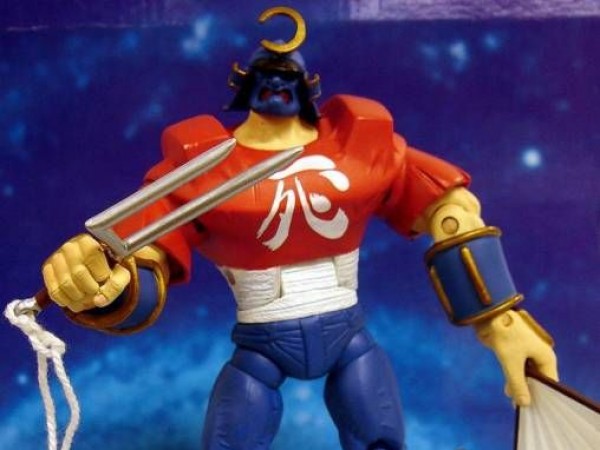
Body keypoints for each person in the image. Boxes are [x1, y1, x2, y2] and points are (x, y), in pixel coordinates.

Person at [40, 7, 557, 450]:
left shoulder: (358, 149)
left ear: (306, 87)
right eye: (266, 79)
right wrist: (102, 284)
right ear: (245, 87)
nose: (276, 88)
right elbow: (144, 254)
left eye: (286, 80)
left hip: (348, 335)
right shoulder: (201, 169)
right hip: (261, 345)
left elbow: (450, 211)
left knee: (380, 440)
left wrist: (502, 323)